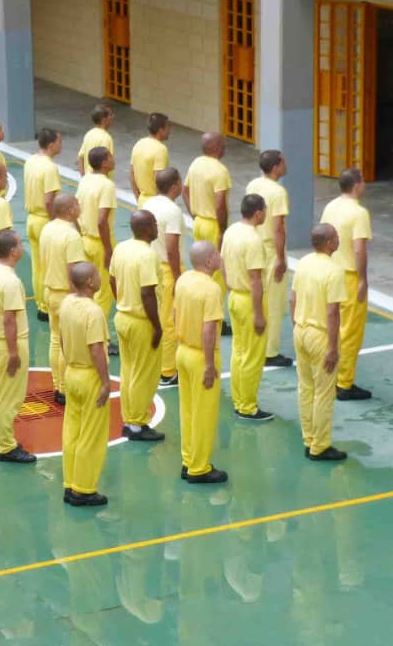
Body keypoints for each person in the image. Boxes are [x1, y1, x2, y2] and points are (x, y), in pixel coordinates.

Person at [291, 224, 348, 461]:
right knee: (324, 392)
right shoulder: (334, 271)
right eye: (336, 237)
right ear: (328, 243)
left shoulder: (303, 262)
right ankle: (320, 446)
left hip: (301, 330)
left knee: (306, 388)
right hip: (320, 335)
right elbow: (333, 312)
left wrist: (296, 325)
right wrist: (333, 348)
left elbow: (292, 297)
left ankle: (308, 438)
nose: (339, 239)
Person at [59, 262, 112, 506]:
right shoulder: (94, 312)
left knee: (72, 430)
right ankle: (84, 489)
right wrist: (105, 382)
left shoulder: (67, 303)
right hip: (90, 375)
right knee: (91, 435)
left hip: (71, 372)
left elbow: (61, 339)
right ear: (90, 282)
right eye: (96, 275)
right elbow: (97, 350)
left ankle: (70, 483)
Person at [174, 241, 228, 483]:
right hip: (200, 356)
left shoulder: (183, 280)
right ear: (209, 261)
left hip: (183, 350)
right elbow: (208, 330)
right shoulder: (211, 289)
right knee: (204, 414)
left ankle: (189, 460)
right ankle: (199, 468)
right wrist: (209, 365)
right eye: (216, 254)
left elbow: (175, 314)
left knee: (187, 411)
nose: (220, 256)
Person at [111, 210, 164, 442]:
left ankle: (129, 418)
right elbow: (147, 293)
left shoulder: (121, 248)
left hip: (122, 316)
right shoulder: (147, 255)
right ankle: (137, 424)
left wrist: (122, 301)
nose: (157, 227)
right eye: (154, 223)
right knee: (144, 374)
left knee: (129, 370)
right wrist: (157, 326)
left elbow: (112, 279)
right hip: (142, 321)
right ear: (145, 229)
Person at [320, 168, 373, 400]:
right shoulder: (359, 213)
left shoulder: (330, 206)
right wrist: (363, 279)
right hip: (349, 276)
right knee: (350, 331)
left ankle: (329, 373)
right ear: (357, 185)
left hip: (330, 271)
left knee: (330, 326)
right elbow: (359, 249)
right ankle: (344, 382)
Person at [0, 229, 34, 464]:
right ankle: (5, 446)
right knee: (9, 398)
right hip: (7, 344)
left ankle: (2, 440)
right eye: (20, 243)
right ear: (13, 251)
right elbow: (9, 319)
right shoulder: (10, 281)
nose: (22, 247)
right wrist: (14, 353)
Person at [221, 193, 272, 421]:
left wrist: (230, 287)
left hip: (234, 296)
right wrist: (259, 314)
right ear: (258, 212)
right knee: (252, 355)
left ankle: (238, 398)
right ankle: (248, 406)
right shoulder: (253, 240)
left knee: (239, 351)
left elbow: (222, 264)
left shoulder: (231, 231)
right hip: (250, 301)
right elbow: (255, 280)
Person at [245, 149, 292, 367]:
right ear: (276, 166)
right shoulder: (278, 192)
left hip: (253, 244)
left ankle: (256, 340)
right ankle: (270, 351)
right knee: (274, 301)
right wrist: (282, 258)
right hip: (270, 250)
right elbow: (279, 228)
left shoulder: (253, 185)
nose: (285, 164)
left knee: (256, 295)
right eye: (283, 161)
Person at [39, 193, 87, 404]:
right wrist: (80, 298)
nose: (80, 205)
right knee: (69, 344)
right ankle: (66, 389)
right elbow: (73, 271)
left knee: (55, 340)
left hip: (50, 290)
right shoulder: (71, 236)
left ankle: (58, 385)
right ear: (70, 210)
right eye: (77, 203)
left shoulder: (47, 228)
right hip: (67, 294)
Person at [142, 168, 185, 387]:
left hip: (150, 265)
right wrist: (178, 277)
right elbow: (172, 248)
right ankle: (168, 371)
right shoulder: (172, 211)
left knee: (154, 317)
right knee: (168, 321)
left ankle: (157, 362)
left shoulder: (148, 204)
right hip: (167, 269)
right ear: (175, 186)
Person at [185, 132, 231, 327]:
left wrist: (193, 213)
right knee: (216, 271)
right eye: (223, 144)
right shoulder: (220, 171)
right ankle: (215, 318)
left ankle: (200, 309)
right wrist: (222, 229)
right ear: (217, 148)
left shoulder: (195, 164)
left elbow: (184, 190)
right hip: (212, 223)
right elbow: (220, 205)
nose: (225, 148)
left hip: (198, 222)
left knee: (200, 267)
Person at [24, 128, 63, 320]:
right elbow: (49, 200)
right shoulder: (50, 168)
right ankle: (47, 307)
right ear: (51, 145)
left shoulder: (30, 161)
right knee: (49, 267)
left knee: (37, 266)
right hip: (44, 220)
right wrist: (56, 220)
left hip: (31, 219)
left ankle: (41, 305)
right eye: (59, 141)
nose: (61, 145)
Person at [77, 147, 118, 327]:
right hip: (101, 242)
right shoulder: (107, 185)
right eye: (110, 157)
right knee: (104, 291)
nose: (113, 159)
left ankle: (86, 325)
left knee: (87, 288)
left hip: (85, 239)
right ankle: (100, 334)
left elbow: (76, 211)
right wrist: (108, 249)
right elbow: (102, 221)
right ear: (104, 163)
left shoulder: (85, 179)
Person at [130, 112, 170, 207]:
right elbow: (159, 181)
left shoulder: (138, 144)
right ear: (160, 130)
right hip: (155, 203)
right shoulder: (161, 150)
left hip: (142, 200)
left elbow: (132, 174)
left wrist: (138, 197)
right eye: (168, 128)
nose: (169, 131)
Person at [78, 103, 115, 178]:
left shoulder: (89, 134)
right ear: (104, 119)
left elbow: (80, 157)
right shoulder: (106, 138)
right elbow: (106, 163)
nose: (113, 117)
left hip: (88, 179)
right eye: (110, 115)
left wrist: (83, 177)